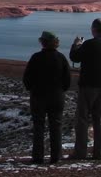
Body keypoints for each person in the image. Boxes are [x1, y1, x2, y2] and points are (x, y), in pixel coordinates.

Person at [70, 18, 101, 160]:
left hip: (88, 87)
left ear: (94, 29)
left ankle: (80, 153)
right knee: (99, 119)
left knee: (82, 119)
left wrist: (76, 44)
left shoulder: (89, 44)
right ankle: (98, 153)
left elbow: (74, 57)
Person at [23, 31, 71, 164]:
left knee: (38, 126)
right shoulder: (61, 58)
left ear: (42, 42)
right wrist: (61, 90)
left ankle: (38, 157)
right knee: (56, 125)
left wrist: (32, 89)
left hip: (38, 97)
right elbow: (67, 80)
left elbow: (27, 78)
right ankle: (56, 157)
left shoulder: (36, 58)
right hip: (57, 97)